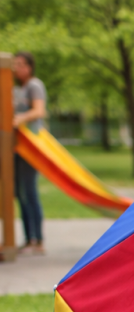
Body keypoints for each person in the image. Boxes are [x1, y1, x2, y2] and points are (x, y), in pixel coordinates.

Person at [12, 51, 47, 255]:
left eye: (20, 64)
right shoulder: (18, 89)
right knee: (21, 193)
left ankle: (38, 241)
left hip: (32, 146)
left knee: (29, 191)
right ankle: (28, 239)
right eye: (15, 64)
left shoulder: (34, 85)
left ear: (30, 67)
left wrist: (19, 119)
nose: (17, 68)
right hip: (17, 147)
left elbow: (38, 111)